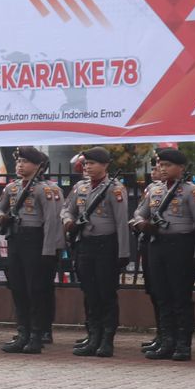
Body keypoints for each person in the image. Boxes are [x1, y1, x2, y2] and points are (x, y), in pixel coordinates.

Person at [131, 148, 195, 361]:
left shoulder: (192, 191)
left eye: (167, 165)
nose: (162, 169)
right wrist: (142, 224)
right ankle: (166, 341)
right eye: (160, 165)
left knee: (180, 297)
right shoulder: (154, 190)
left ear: (181, 168)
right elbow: (139, 213)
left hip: (181, 245)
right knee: (161, 295)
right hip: (157, 245)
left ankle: (183, 344)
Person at [62, 147, 132, 358]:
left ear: (105, 165)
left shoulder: (115, 189)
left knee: (106, 293)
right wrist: (68, 221)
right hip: (85, 244)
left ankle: (106, 340)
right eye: (86, 164)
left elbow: (121, 223)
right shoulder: (80, 187)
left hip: (106, 245)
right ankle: (93, 336)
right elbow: (67, 208)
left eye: (92, 163)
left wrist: (123, 252)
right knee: (90, 293)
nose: (88, 167)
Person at [0, 146, 64, 354]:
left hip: (37, 241)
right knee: (18, 288)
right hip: (17, 239)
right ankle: (22, 332)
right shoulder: (12, 188)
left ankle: (37, 334)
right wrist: (0, 217)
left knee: (37, 289)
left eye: (25, 162)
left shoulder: (47, 189)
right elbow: (0, 207)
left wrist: (49, 250)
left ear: (38, 165)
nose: (20, 165)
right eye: (18, 162)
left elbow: (52, 221)